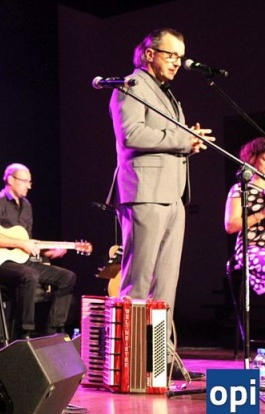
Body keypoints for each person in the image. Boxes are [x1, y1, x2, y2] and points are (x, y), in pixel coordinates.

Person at [104, 28, 212, 380]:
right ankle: (131, 363)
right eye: (171, 55)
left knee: (165, 285)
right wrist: (183, 139)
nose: (177, 62)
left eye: (180, 57)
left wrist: (189, 144)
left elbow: (169, 141)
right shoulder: (132, 86)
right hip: (145, 192)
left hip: (173, 195)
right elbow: (131, 134)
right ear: (149, 54)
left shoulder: (167, 95)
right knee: (138, 282)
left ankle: (160, 361)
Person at [0, 163, 76, 339]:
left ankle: (53, 331)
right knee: (30, 275)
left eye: (30, 182)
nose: (29, 186)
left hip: (23, 261)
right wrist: (21, 243)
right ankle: (23, 333)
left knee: (67, 277)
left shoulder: (27, 206)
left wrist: (47, 252)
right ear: (11, 180)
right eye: (25, 181)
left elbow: (27, 244)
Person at [225, 137, 265, 294]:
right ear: (252, 159)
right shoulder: (240, 189)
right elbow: (231, 225)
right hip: (252, 248)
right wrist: (261, 214)